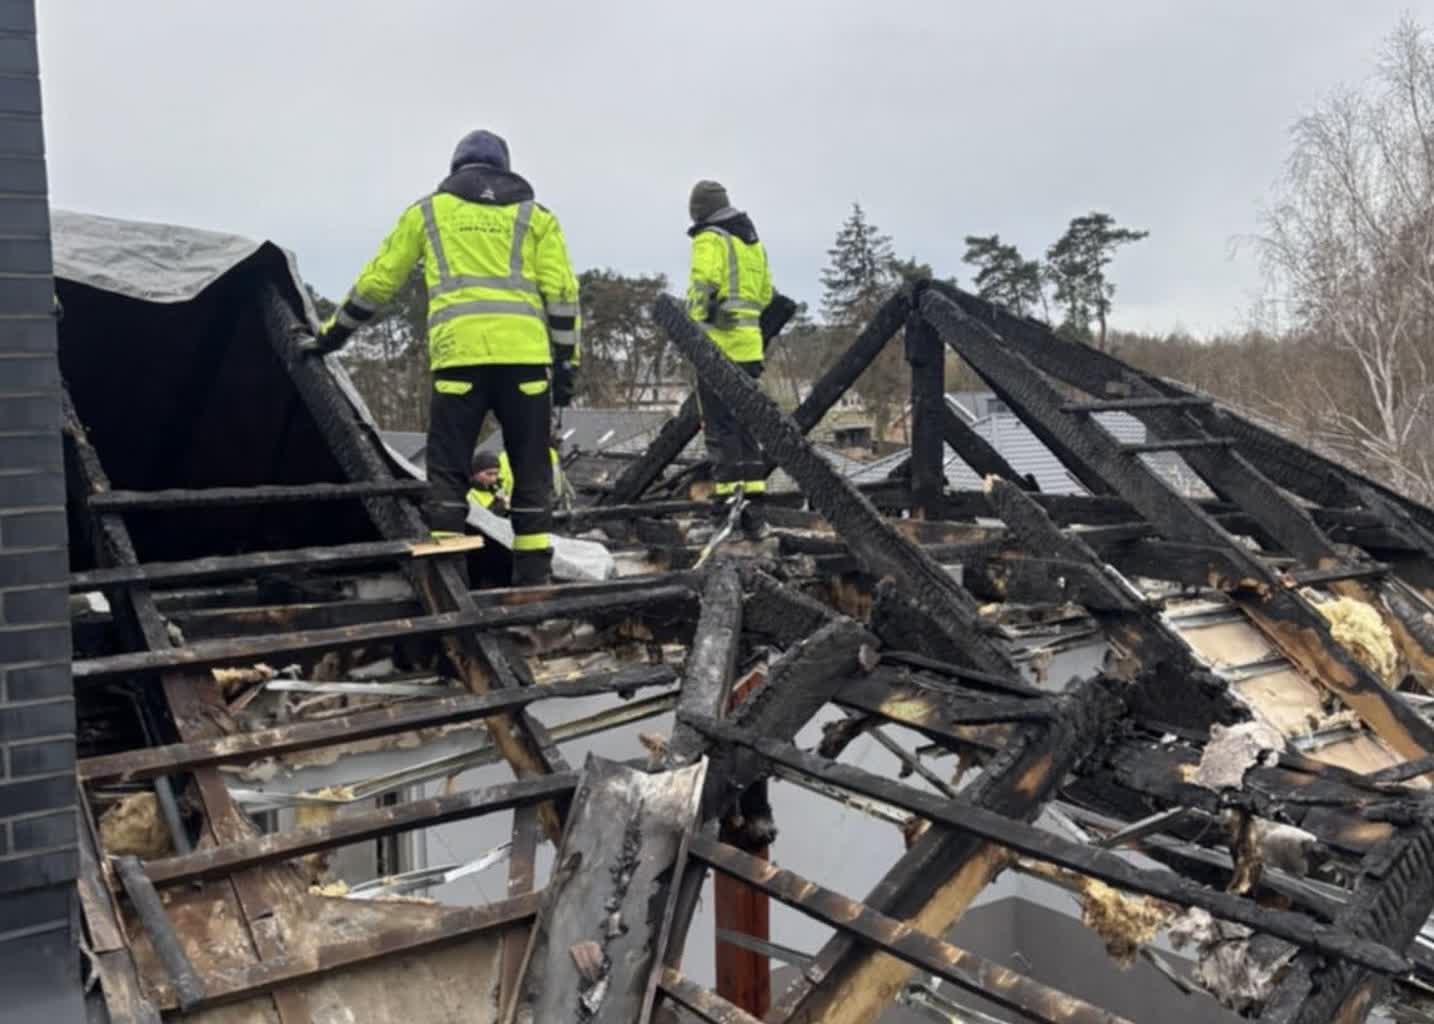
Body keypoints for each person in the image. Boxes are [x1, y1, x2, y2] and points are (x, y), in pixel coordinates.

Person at [305, 129, 580, 584]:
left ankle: (449, 579)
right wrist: (568, 363)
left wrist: (333, 335)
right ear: (504, 168)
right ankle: (533, 586)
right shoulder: (537, 218)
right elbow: (564, 295)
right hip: (527, 364)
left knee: (449, 472)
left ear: (456, 167)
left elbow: (379, 281)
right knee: (531, 472)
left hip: (458, 362)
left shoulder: (430, 211)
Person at [686, 180, 774, 540]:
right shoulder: (752, 243)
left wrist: (695, 319)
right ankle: (754, 514)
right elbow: (766, 293)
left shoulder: (710, 238)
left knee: (721, 433)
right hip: (750, 349)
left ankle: (724, 514)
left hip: (717, 350)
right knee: (747, 431)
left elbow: (703, 284)